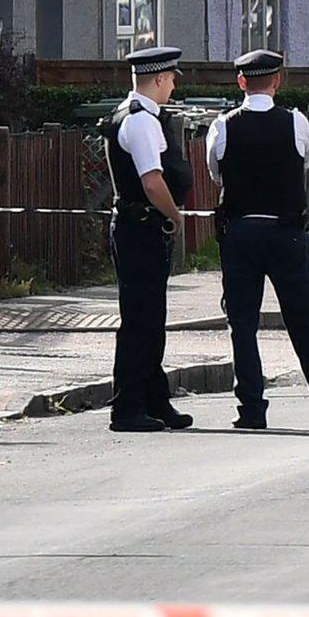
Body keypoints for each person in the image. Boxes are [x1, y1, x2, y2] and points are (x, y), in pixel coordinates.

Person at [207, 49, 309, 429]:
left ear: (241, 82)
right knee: (306, 318)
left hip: (240, 232)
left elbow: (216, 174)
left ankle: (251, 410)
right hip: (286, 233)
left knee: (242, 323)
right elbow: (304, 161)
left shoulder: (223, 126)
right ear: (277, 81)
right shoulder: (296, 123)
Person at [103, 46, 194, 434]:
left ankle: (156, 400)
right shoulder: (140, 122)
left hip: (141, 228)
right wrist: (174, 215)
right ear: (158, 79)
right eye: (171, 79)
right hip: (140, 228)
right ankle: (128, 408)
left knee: (151, 319)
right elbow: (151, 181)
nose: (173, 86)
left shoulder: (137, 115)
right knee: (141, 320)